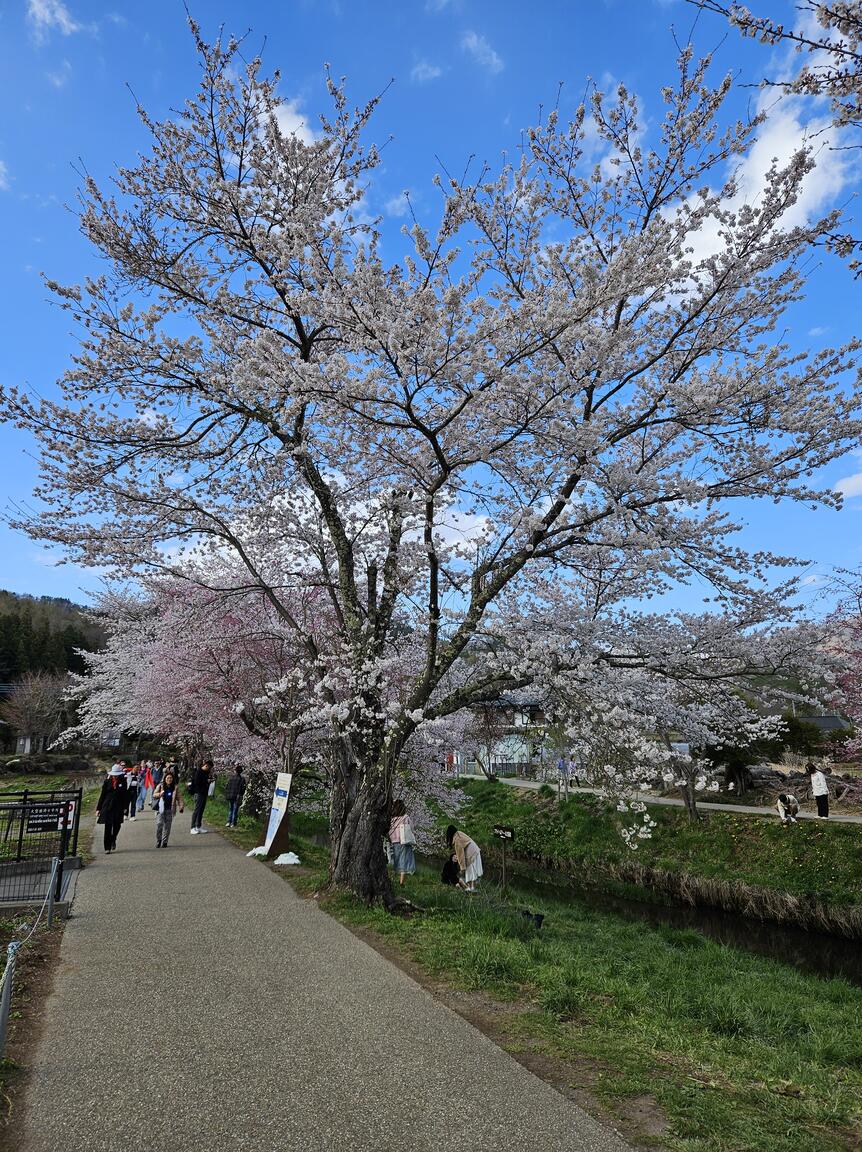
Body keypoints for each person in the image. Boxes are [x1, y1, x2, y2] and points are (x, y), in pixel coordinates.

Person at [96, 765, 128, 854]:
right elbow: (102, 795)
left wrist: (126, 807)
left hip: (118, 806)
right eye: (114, 775)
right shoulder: (107, 782)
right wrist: (98, 808)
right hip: (107, 805)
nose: (115, 776)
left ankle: (113, 838)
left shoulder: (123, 782)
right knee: (108, 826)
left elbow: (125, 796)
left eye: (116, 775)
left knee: (117, 825)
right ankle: (107, 847)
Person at [445, 824, 483, 892]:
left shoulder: (457, 840)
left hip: (471, 853)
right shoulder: (458, 833)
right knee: (471, 871)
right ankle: (471, 888)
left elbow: (460, 855)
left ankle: (471, 889)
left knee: (471, 871)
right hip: (474, 850)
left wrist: (462, 869)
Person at [152, 769, 184, 848]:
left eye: (170, 778)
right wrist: (159, 794)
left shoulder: (175, 788)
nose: (169, 779)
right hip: (161, 809)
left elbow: (179, 798)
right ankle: (159, 840)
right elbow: (154, 794)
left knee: (167, 826)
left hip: (170, 809)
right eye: (167, 778)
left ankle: (165, 841)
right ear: (165, 779)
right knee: (159, 824)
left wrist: (181, 807)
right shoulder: (160, 786)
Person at [388, 799, 416, 885]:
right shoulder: (405, 817)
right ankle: (401, 882)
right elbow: (411, 828)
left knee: (396, 859)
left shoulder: (392, 819)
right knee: (403, 860)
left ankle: (395, 876)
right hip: (403, 841)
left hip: (394, 841)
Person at [188, 759, 213, 834]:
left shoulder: (206, 772)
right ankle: (192, 827)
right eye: (209, 767)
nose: (210, 769)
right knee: (197, 810)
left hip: (204, 793)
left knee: (201, 810)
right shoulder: (199, 772)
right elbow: (197, 783)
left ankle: (198, 826)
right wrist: (207, 781)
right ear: (206, 765)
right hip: (199, 793)